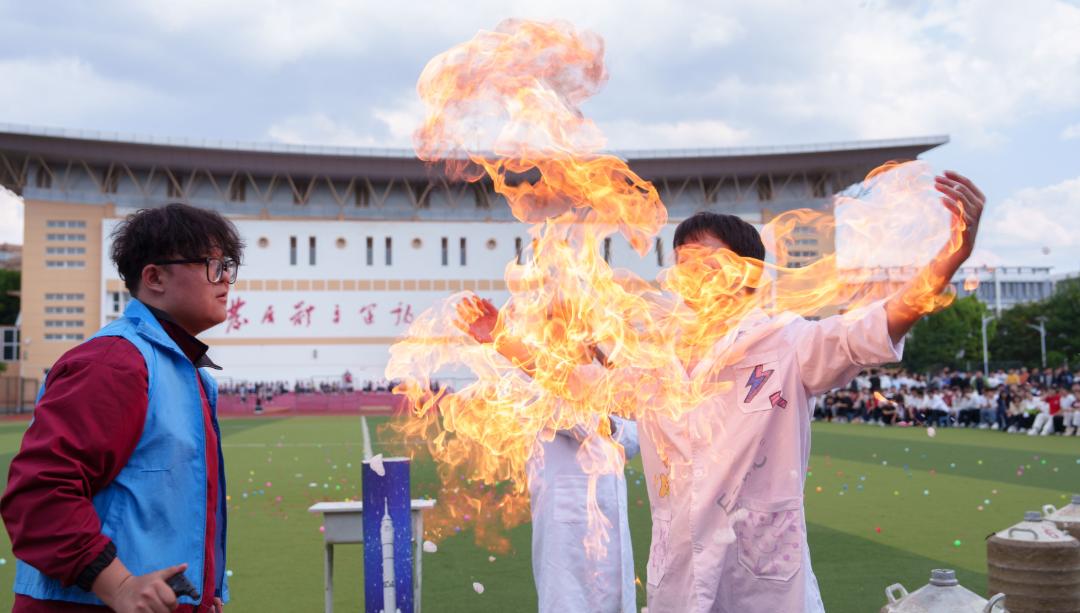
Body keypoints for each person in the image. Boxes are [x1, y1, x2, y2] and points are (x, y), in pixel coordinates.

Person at [634, 171, 985, 612]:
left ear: (748, 273)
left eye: (710, 261)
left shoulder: (785, 343)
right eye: (684, 262)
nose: (693, 274)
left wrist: (953, 255)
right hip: (677, 580)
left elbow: (876, 325)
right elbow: (573, 383)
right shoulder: (654, 360)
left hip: (760, 581)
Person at [1, 203, 241, 612]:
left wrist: (197, 600)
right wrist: (118, 584)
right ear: (154, 277)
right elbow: (38, 494)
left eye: (228, 266)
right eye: (212, 265)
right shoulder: (116, 362)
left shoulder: (190, 373)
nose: (226, 281)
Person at [455, 295, 640, 613]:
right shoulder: (532, 384)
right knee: (569, 602)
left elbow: (636, 439)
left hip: (611, 521)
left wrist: (610, 423)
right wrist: (508, 344)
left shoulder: (604, 379)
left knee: (616, 600)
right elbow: (579, 421)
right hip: (567, 529)